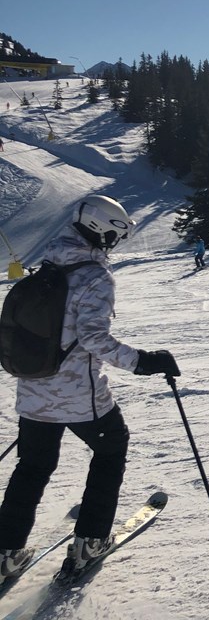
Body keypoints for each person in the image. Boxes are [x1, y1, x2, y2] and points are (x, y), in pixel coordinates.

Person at [0, 194, 180, 583]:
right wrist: (145, 361)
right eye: (115, 236)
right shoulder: (94, 277)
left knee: (32, 467)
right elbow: (95, 339)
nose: (114, 244)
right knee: (112, 448)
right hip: (78, 396)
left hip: (32, 392)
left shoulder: (46, 267)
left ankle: (5, 553)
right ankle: (90, 541)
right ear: (101, 231)